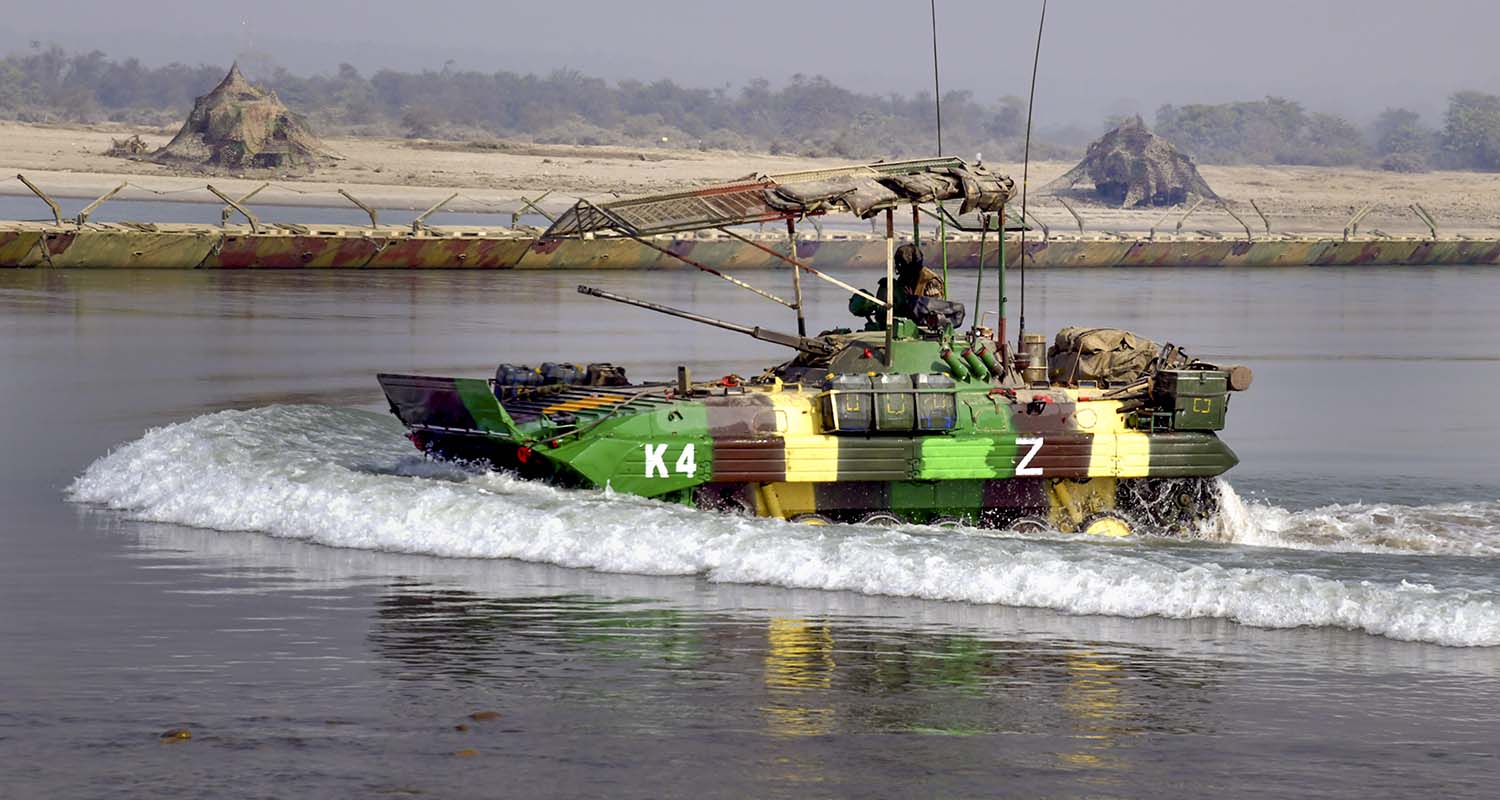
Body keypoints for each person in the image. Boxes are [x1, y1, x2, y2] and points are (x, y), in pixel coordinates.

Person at [848, 243, 945, 327]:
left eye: (902, 264)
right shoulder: (904, 278)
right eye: (898, 264)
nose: (899, 267)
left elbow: (934, 309)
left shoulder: (930, 281)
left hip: (922, 327)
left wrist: (912, 301)